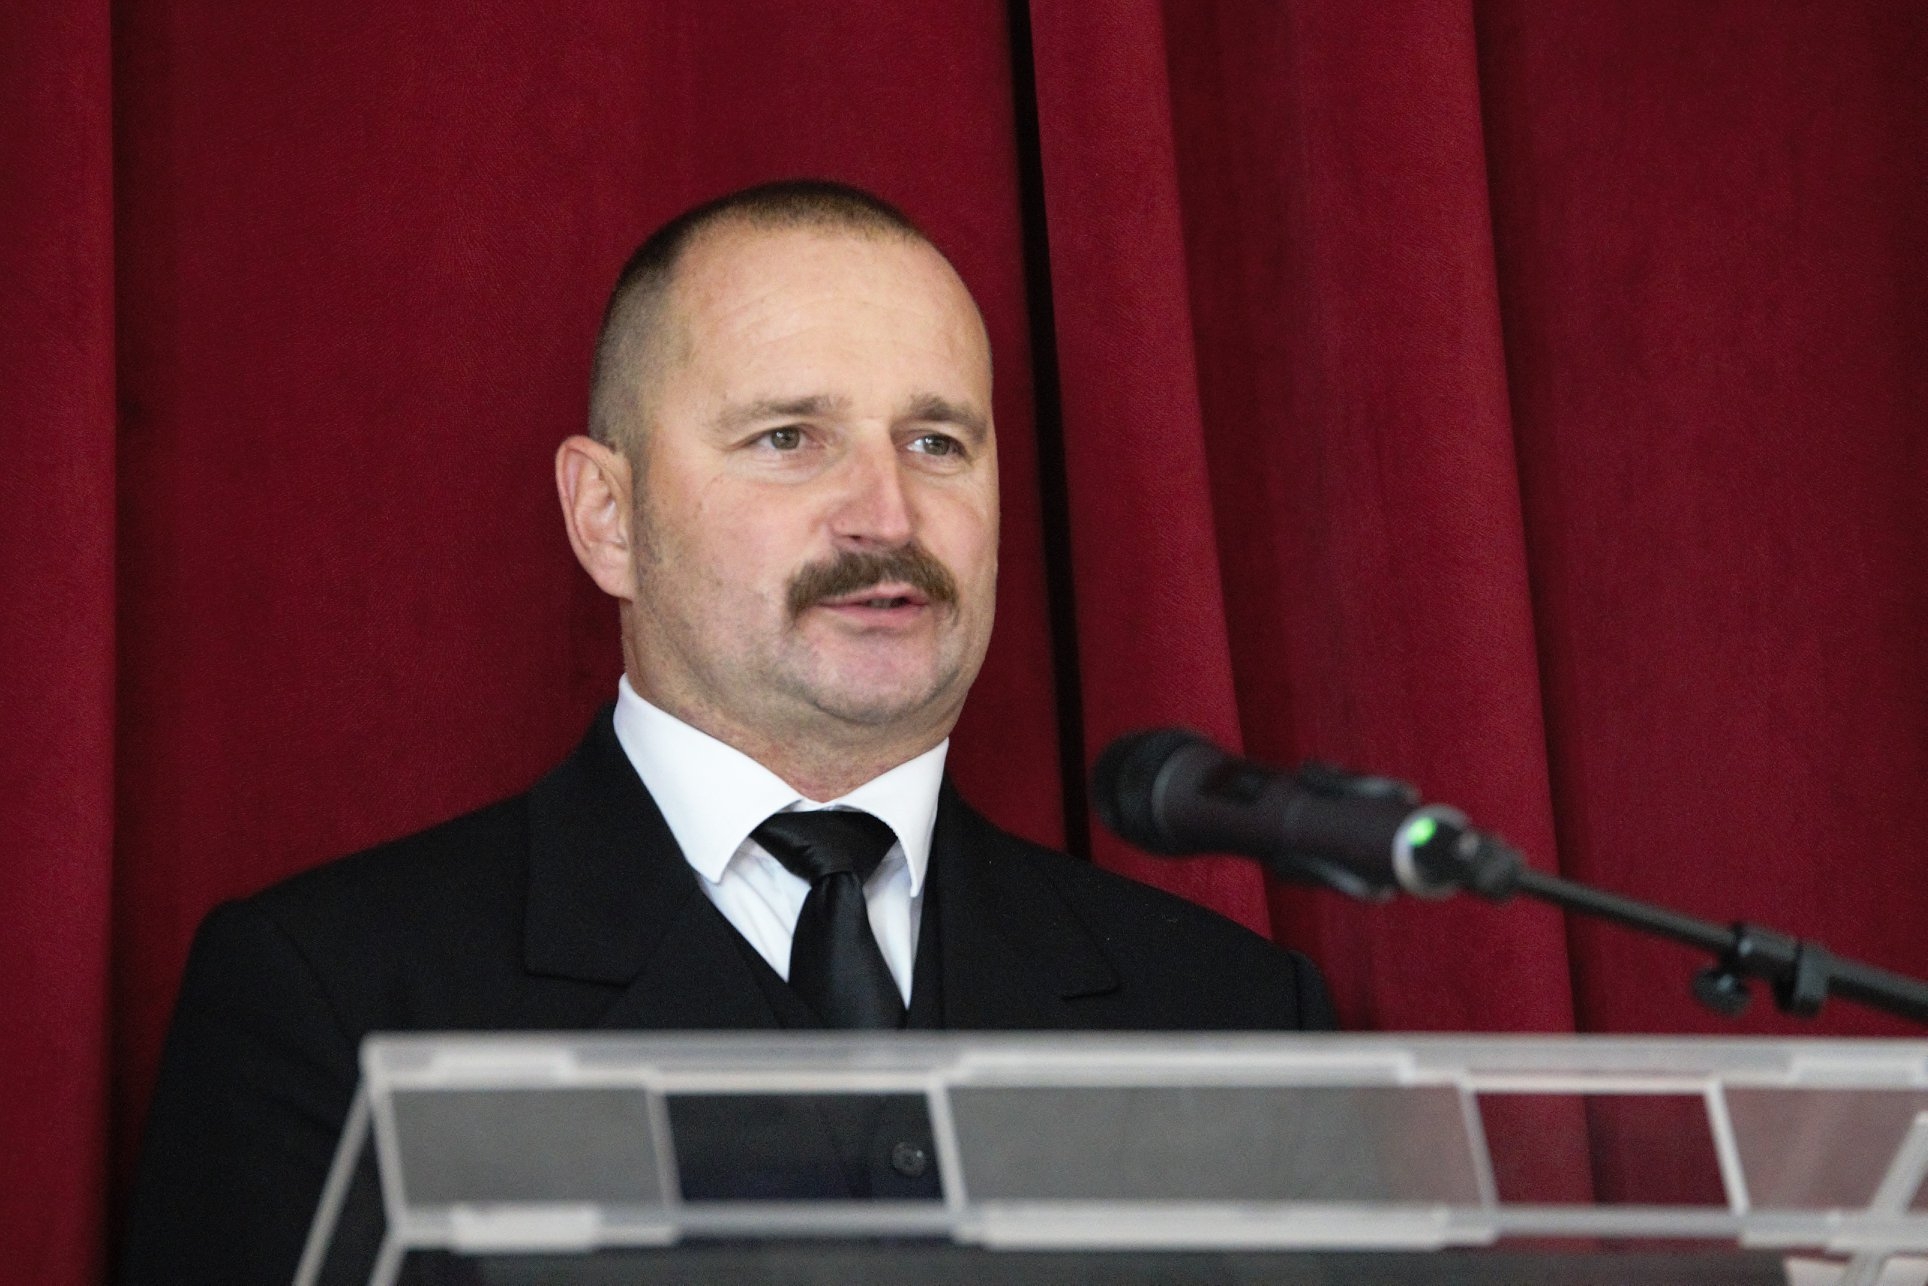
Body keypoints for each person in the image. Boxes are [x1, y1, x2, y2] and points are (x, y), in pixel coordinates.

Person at [119, 180, 1333, 1282]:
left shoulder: (1229, 1013)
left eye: (935, 442)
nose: (885, 513)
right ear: (608, 514)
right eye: (788, 438)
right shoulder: (333, 997)